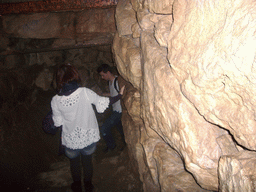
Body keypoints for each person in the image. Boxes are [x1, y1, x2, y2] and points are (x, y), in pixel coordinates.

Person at [51, 63, 124, 192]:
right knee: (87, 162)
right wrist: (120, 96)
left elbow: (58, 122)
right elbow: (103, 102)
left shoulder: (55, 100)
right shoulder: (84, 92)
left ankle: (77, 186)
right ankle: (88, 185)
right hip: (88, 137)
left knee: (74, 164)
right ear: (75, 76)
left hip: (71, 139)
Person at [97, 64, 126, 152]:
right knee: (122, 130)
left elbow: (122, 94)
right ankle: (125, 145)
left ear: (108, 72)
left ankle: (111, 146)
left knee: (104, 128)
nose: (102, 77)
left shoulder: (117, 81)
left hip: (119, 111)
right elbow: (115, 94)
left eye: (103, 75)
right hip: (115, 110)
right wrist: (103, 94)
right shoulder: (110, 82)